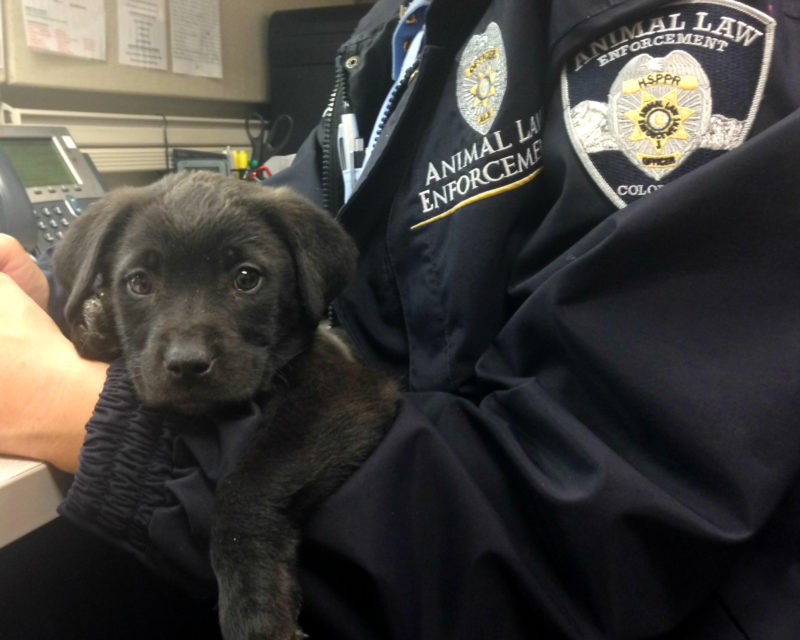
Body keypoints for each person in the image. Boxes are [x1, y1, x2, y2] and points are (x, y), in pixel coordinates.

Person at [2, 0, 800, 637]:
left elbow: (589, 536)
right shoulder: (396, 37)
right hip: (369, 543)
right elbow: (301, 278)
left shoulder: (703, 40)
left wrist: (78, 408)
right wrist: (67, 322)